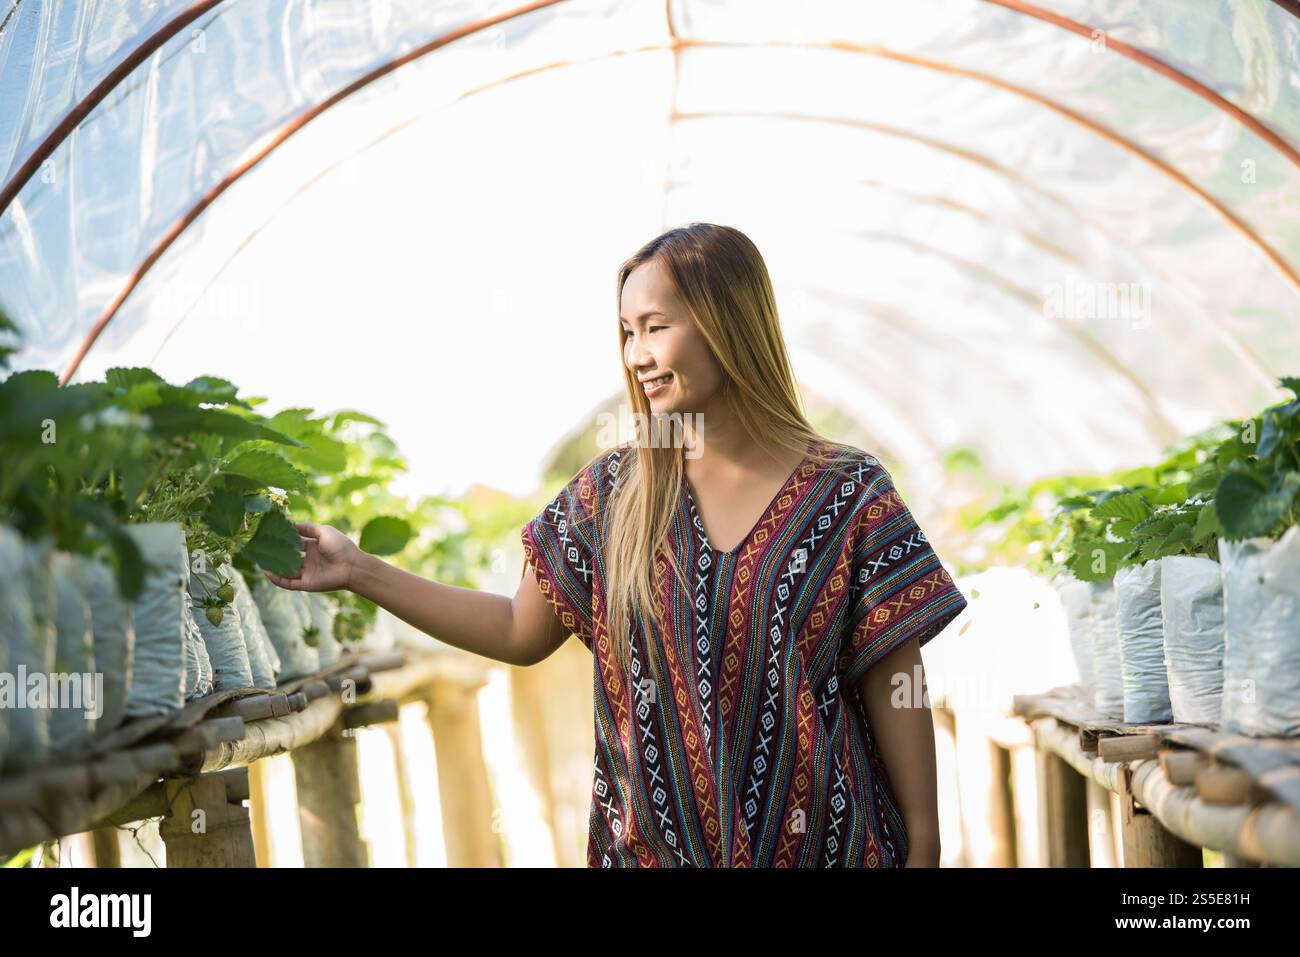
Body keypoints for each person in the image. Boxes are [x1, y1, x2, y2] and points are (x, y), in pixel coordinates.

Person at [265, 222, 968, 867]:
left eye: (655, 327)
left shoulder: (848, 490)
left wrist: (926, 841)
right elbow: (517, 628)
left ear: (728, 324)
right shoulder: (614, 492)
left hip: (832, 849)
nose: (637, 356)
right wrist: (358, 569)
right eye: (626, 331)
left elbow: (894, 679)